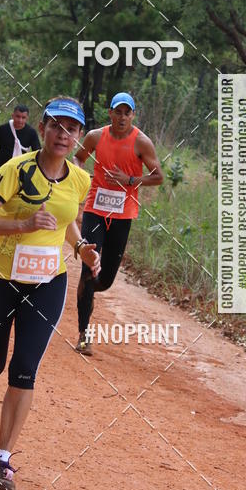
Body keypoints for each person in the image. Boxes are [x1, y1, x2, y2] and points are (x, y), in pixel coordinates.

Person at [0, 96, 100, 490]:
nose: (63, 134)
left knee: (24, 369)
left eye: (72, 129)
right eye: (56, 126)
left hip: (47, 282)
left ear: (78, 137)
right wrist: (23, 223)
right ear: (43, 128)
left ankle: (2, 461)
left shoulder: (80, 180)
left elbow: (65, 221)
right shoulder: (15, 170)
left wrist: (81, 248)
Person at [72, 92, 163, 355]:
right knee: (90, 266)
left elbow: (158, 176)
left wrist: (130, 180)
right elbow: (78, 157)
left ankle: (88, 288)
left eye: (127, 112)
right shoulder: (95, 136)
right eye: (118, 112)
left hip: (123, 215)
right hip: (95, 210)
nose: (122, 117)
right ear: (110, 113)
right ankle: (84, 335)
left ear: (133, 115)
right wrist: (81, 176)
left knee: (105, 280)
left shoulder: (142, 143)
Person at [0, 105, 40, 179]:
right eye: (18, 116)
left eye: (23, 118)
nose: (20, 120)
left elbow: (37, 154)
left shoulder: (31, 133)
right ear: (12, 116)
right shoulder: (2, 129)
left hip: (19, 172)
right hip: (0, 169)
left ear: (27, 118)